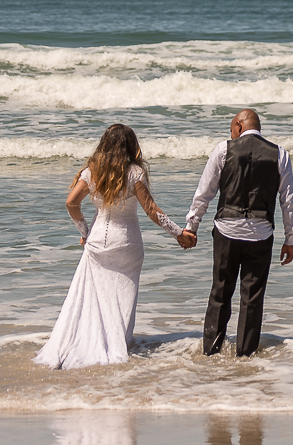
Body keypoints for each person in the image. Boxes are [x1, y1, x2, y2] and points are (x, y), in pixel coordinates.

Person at [35, 124, 191, 370]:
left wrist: (85, 232)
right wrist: (178, 233)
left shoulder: (91, 172)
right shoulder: (135, 173)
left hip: (97, 241)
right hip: (128, 243)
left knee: (93, 297)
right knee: (122, 298)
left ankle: (90, 343)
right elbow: (151, 210)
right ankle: (117, 343)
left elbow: (71, 203)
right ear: (131, 146)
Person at [180, 108, 293, 357]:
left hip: (226, 231)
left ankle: (211, 352)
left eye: (231, 130)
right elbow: (289, 201)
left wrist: (192, 226)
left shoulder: (223, 150)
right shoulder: (279, 154)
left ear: (239, 126)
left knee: (220, 293)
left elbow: (204, 192)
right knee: (252, 298)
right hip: (261, 234)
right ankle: (245, 355)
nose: (232, 135)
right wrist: (290, 239)